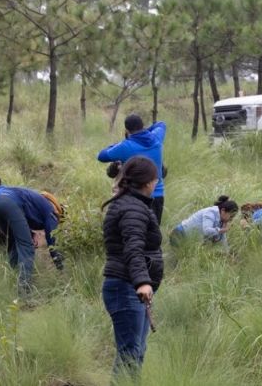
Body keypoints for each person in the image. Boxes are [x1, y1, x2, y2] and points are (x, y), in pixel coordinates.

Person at [101, 156, 163, 379]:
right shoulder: (132, 208)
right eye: (155, 178)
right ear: (147, 181)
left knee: (135, 353)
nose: (157, 181)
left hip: (130, 288)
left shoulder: (132, 204)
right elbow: (133, 248)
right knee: (129, 355)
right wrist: (142, 281)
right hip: (126, 287)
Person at [0, 174, 62, 296]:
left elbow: (0, 205)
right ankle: (24, 292)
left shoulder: (9, 193)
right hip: (7, 206)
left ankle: (8, 282)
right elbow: (53, 244)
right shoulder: (51, 212)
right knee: (26, 247)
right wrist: (61, 267)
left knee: (14, 248)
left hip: (0, 208)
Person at [98, 114, 167, 225]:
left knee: (133, 232)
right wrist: (146, 132)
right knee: (153, 235)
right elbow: (161, 124)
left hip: (135, 198)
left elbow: (101, 156)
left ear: (127, 130)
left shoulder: (125, 147)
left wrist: (116, 145)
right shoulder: (156, 137)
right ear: (142, 126)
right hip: (157, 195)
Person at [170, 196, 238, 245]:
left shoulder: (222, 220)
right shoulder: (211, 212)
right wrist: (222, 230)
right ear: (223, 210)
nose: (231, 219)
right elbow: (206, 231)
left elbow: (223, 240)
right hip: (179, 234)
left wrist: (227, 254)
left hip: (189, 239)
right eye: (231, 216)